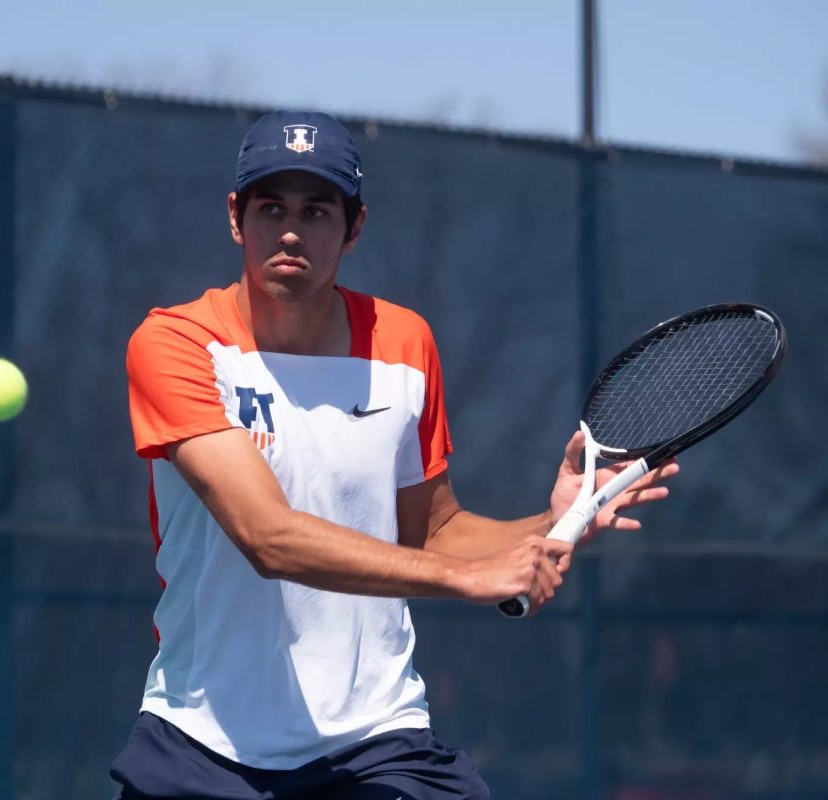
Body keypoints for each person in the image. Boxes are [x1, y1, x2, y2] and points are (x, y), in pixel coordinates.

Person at [110, 111, 678, 799]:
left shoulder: (404, 343)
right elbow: (267, 536)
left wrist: (554, 522)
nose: (291, 231)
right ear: (237, 217)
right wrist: (467, 580)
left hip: (376, 743)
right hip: (203, 743)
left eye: (317, 211)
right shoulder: (176, 346)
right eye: (271, 208)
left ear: (353, 228)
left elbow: (434, 529)